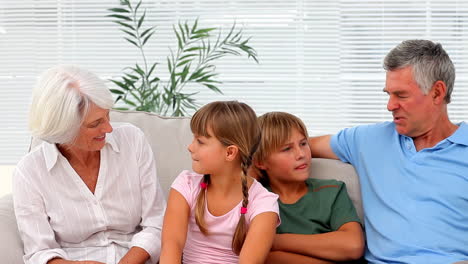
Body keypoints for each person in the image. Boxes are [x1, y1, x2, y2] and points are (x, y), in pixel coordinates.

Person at [309, 39, 468, 263]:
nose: (390, 105)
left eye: (401, 95)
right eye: (388, 94)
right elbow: (294, 146)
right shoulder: (367, 140)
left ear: (437, 93)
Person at [13, 65, 166, 264]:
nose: (109, 128)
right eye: (95, 124)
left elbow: (157, 222)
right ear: (63, 128)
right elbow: (39, 252)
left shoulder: (132, 140)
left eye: (107, 116)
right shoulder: (30, 172)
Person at [160, 101, 280, 264]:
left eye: (200, 141)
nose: (190, 147)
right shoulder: (185, 184)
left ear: (230, 152)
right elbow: (171, 245)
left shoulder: (264, 204)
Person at [252, 112, 364, 264]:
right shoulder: (257, 200)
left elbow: (353, 246)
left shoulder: (331, 190)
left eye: (303, 144)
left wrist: (273, 241)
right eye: (286, 149)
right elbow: (262, 257)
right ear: (260, 162)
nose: (301, 154)